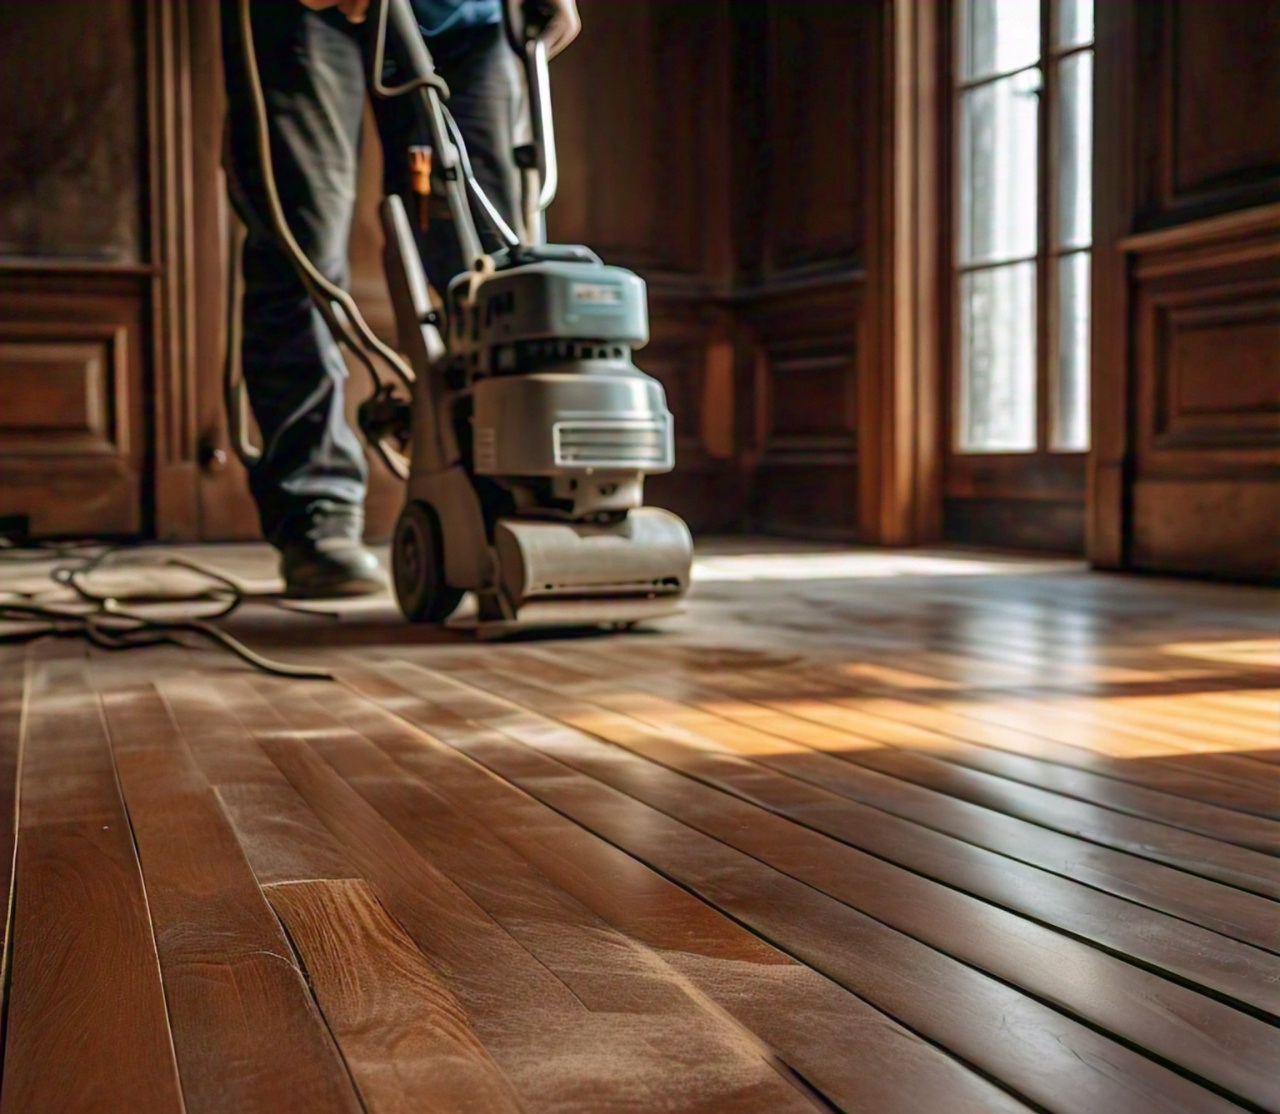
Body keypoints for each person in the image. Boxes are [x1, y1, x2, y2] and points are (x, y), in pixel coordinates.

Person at [219, 0, 581, 597]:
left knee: (490, 264)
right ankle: (317, 511)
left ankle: (508, 490)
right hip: (308, 16)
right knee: (302, 247)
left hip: (472, 17)